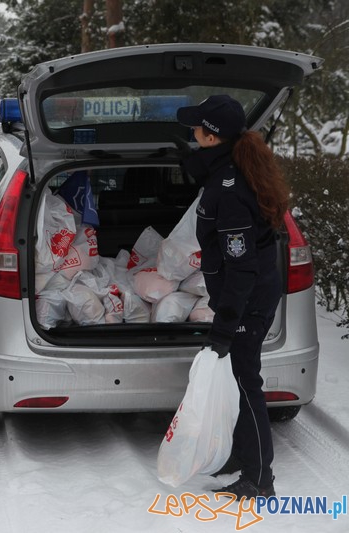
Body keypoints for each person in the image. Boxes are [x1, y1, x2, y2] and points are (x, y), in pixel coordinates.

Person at [176, 95, 289, 499]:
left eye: (195, 129)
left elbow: (241, 266)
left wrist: (225, 325)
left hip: (247, 295)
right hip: (245, 291)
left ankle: (260, 479)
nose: (191, 134)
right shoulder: (228, 167)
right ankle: (242, 456)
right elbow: (209, 174)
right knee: (240, 377)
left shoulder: (231, 189)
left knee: (245, 382)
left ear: (211, 136)